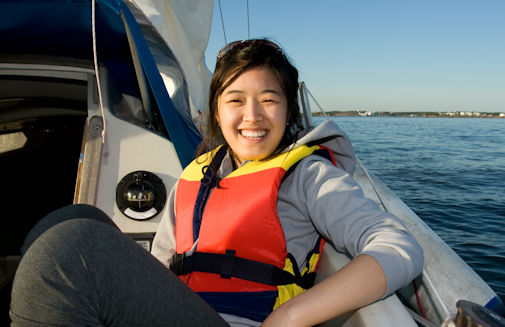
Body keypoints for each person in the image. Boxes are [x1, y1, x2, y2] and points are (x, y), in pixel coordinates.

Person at [10, 39, 423, 327]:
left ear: (288, 109)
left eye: (269, 98)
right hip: (182, 308)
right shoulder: (198, 174)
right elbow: (164, 260)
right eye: (235, 100)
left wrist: (291, 316)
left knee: (70, 251)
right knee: (73, 218)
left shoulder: (307, 176)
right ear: (216, 111)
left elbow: (399, 247)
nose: (253, 115)